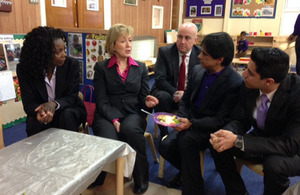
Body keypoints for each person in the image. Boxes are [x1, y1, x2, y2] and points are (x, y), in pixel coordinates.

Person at [158, 32, 243, 194]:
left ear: (220, 60)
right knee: (165, 145)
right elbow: (186, 98)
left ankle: (193, 188)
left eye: (205, 54)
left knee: (186, 140)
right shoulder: (198, 70)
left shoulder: (234, 83)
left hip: (211, 127)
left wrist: (192, 124)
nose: (199, 57)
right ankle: (189, 174)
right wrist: (183, 117)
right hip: (191, 120)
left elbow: (220, 120)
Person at [210, 47, 300, 195]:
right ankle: (237, 192)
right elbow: (241, 119)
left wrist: (238, 141)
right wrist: (228, 133)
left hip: (294, 149)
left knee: (274, 165)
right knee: (219, 143)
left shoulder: (296, 94)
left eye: (250, 73)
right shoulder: (249, 85)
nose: (243, 74)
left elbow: (290, 144)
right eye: (246, 68)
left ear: (268, 82)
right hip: (263, 138)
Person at [91, 24, 159, 194]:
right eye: (123, 41)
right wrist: (113, 119)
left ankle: (141, 178)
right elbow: (101, 100)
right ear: (113, 45)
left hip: (133, 113)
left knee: (130, 131)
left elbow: (143, 98)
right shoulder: (101, 68)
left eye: (130, 40)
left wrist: (147, 101)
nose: (129, 45)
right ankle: (98, 176)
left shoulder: (141, 68)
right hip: (107, 113)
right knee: (108, 138)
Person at [17, 26, 87, 136]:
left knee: (66, 116)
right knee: (34, 123)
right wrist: (40, 111)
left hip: (67, 108)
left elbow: (71, 96)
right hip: (43, 112)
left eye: (64, 49)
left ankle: (70, 151)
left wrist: (54, 104)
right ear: (43, 54)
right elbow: (28, 103)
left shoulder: (71, 65)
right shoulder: (25, 69)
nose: (64, 54)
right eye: (58, 51)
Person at [150, 22, 201, 137]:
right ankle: (164, 133)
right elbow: (160, 79)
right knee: (162, 97)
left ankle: (191, 132)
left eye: (187, 38)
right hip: (169, 91)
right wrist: (176, 93)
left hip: (189, 93)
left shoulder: (200, 55)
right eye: (180, 37)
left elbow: (202, 81)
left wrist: (186, 94)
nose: (182, 41)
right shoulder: (165, 52)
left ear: (195, 40)